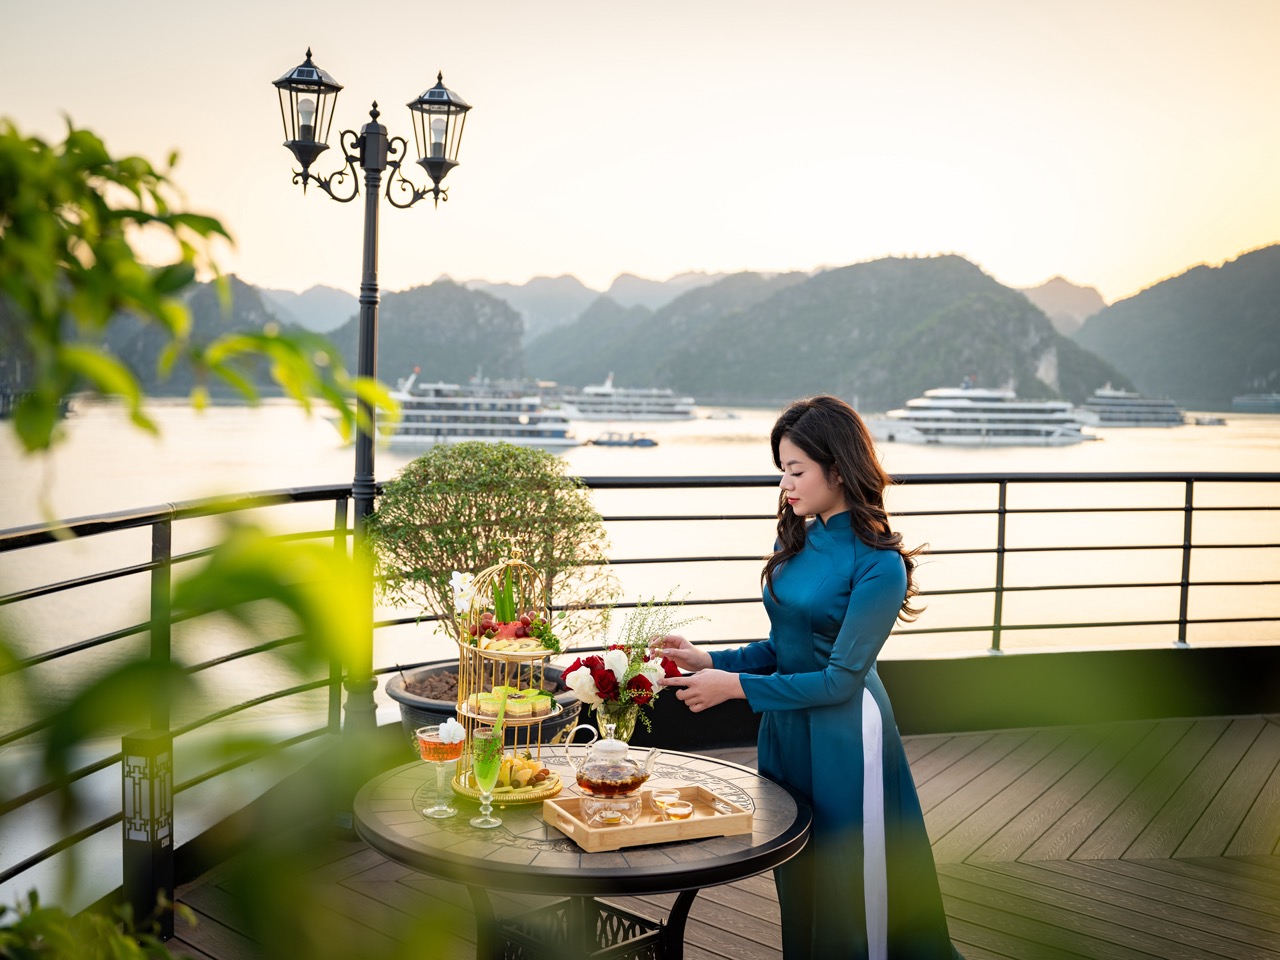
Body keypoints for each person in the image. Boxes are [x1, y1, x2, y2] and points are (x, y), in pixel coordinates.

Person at [656, 395, 963, 959]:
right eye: (782, 472)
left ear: (839, 469)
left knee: (850, 884)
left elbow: (839, 680)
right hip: (787, 727)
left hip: (847, 735)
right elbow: (783, 646)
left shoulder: (879, 563)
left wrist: (736, 689)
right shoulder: (795, 540)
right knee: (798, 874)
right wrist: (709, 661)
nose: (785, 485)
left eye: (796, 470)